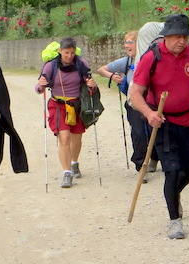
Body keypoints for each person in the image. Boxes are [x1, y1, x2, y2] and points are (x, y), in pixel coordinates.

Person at [128, 14, 189, 239]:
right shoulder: (152, 57)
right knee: (172, 171)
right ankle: (175, 220)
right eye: (177, 36)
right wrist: (149, 113)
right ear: (166, 36)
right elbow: (136, 92)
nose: (182, 41)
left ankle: (173, 196)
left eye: (185, 36)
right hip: (163, 123)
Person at [95, 24, 162, 175]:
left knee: (155, 131)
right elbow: (101, 69)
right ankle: (140, 166)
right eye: (125, 42)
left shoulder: (152, 59)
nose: (126, 46)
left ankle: (154, 158)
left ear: (140, 43)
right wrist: (112, 76)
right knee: (138, 133)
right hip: (133, 103)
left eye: (129, 42)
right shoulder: (126, 62)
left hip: (152, 101)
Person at [36, 37, 97, 189]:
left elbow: (90, 86)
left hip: (77, 105)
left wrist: (92, 85)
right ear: (60, 51)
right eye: (66, 53)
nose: (69, 56)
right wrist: (41, 85)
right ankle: (67, 173)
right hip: (58, 105)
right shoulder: (51, 66)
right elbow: (38, 88)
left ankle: (74, 162)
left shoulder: (81, 64)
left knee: (77, 138)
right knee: (64, 138)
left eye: (72, 52)